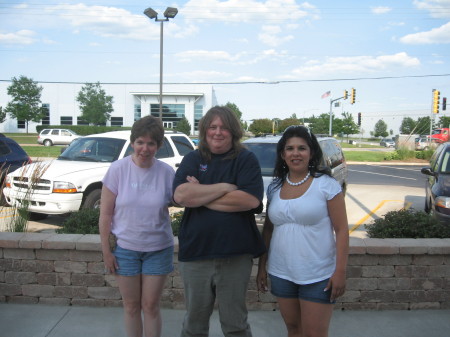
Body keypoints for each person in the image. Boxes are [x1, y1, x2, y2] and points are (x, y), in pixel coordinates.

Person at [173, 105, 265, 337]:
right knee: (194, 325)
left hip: (235, 255)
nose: (217, 132)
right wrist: (225, 187)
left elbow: (249, 201)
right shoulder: (193, 158)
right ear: (204, 131)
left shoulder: (246, 159)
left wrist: (200, 194)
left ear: (233, 132)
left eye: (224, 127)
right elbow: (182, 196)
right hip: (196, 254)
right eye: (212, 127)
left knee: (235, 325)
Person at [256, 125, 349, 337]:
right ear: (282, 154)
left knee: (314, 333)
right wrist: (262, 266)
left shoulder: (326, 185)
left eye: (302, 148)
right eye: (290, 148)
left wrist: (340, 272)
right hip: (281, 272)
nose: (295, 153)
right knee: (294, 330)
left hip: (318, 275)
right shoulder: (275, 187)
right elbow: (269, 229)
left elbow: (342, 230)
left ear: (311, 152)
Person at [99, 115, 175, 337]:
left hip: (158, 249)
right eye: (140, 142)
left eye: (151, 143)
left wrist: (193, 189)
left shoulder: (167, 173)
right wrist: (106, 251)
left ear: (159, 146)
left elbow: (181, 200)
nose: (145, 148)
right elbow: (105, 214)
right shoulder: (117, 170)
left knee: (150, 306)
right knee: (131, 307)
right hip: (125, 250)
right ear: (132, 142)